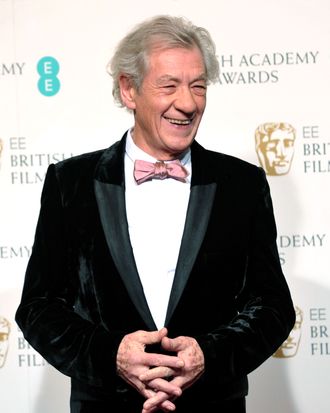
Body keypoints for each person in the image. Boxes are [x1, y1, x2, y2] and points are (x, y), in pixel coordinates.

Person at [15, 14, 296, 413]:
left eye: (198, 86)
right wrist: (111, 355)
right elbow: (38, 307)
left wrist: (207, 358)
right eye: (170, 85)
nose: (188, 102)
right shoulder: (70, 183)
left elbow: (273, 307)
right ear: (129, 90)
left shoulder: (242, 184)